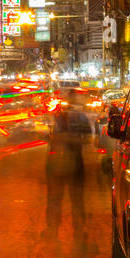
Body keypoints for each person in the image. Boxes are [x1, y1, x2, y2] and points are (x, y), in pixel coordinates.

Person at [45, 93, 92, 238]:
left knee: (55, 198)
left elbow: (51, 136)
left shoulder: (59, 118)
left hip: (57, 163)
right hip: (74, 162)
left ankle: (53, 229)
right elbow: (89, 139)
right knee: (76, 199)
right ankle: (78, 230)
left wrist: (62, 139)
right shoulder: (81, 117)